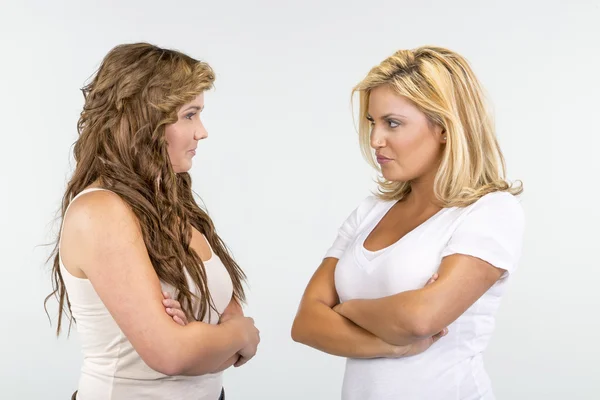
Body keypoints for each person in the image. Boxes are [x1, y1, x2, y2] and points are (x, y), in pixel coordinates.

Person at [291, 46, 524, 399]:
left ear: (445, 127)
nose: (375, 140)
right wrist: (394, 344)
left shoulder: (490, 211)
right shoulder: (370, 212)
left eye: (393, 123)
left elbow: (421, 319)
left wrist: (345, 308)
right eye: (372, 122)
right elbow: (306, 324)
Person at [45, 43, 260, 400]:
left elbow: (228, 310)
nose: (202, 131)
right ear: (146, 119)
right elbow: (172, 354)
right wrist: (240, 336)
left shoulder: (174, 203)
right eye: (190, 114)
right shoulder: (100, 211)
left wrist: (203, 336)